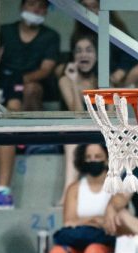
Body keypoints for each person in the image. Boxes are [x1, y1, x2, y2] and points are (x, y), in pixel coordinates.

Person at [0, 0, 60, 210]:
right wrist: (7, 83)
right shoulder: (4, 32)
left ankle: (30, 138)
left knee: (30, 89)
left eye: (41, 6)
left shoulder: (50, 36)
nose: (36, 9)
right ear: (21, 7)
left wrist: (15, 82)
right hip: (1, 85)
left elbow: (46, 70)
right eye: (31, 4)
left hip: (33, 86)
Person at [57, 31, 99, 203]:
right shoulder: (65, 81)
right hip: (77, 133)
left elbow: (113, 116)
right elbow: (78, 114)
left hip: (101, 134)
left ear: (97, 55)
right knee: (72, 141)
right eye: (79, 51)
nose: (83, 55)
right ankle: (68, 196)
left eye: (89, 50)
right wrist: (74, 82)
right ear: (73, 56)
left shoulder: (104, 81)